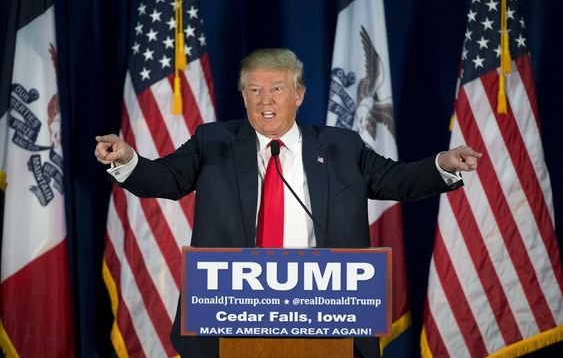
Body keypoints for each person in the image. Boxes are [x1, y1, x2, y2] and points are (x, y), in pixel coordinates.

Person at [95, 48, 481, 358]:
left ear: (299, 94)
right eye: (255, 90)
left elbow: (397, 180)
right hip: (231, 314)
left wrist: (441, 165)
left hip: (325, 314)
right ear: (243, 95)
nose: (266, 100)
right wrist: (127, 160)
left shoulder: (341, 148)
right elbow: (166, 178)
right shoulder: (213, 142)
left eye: (277, 88)